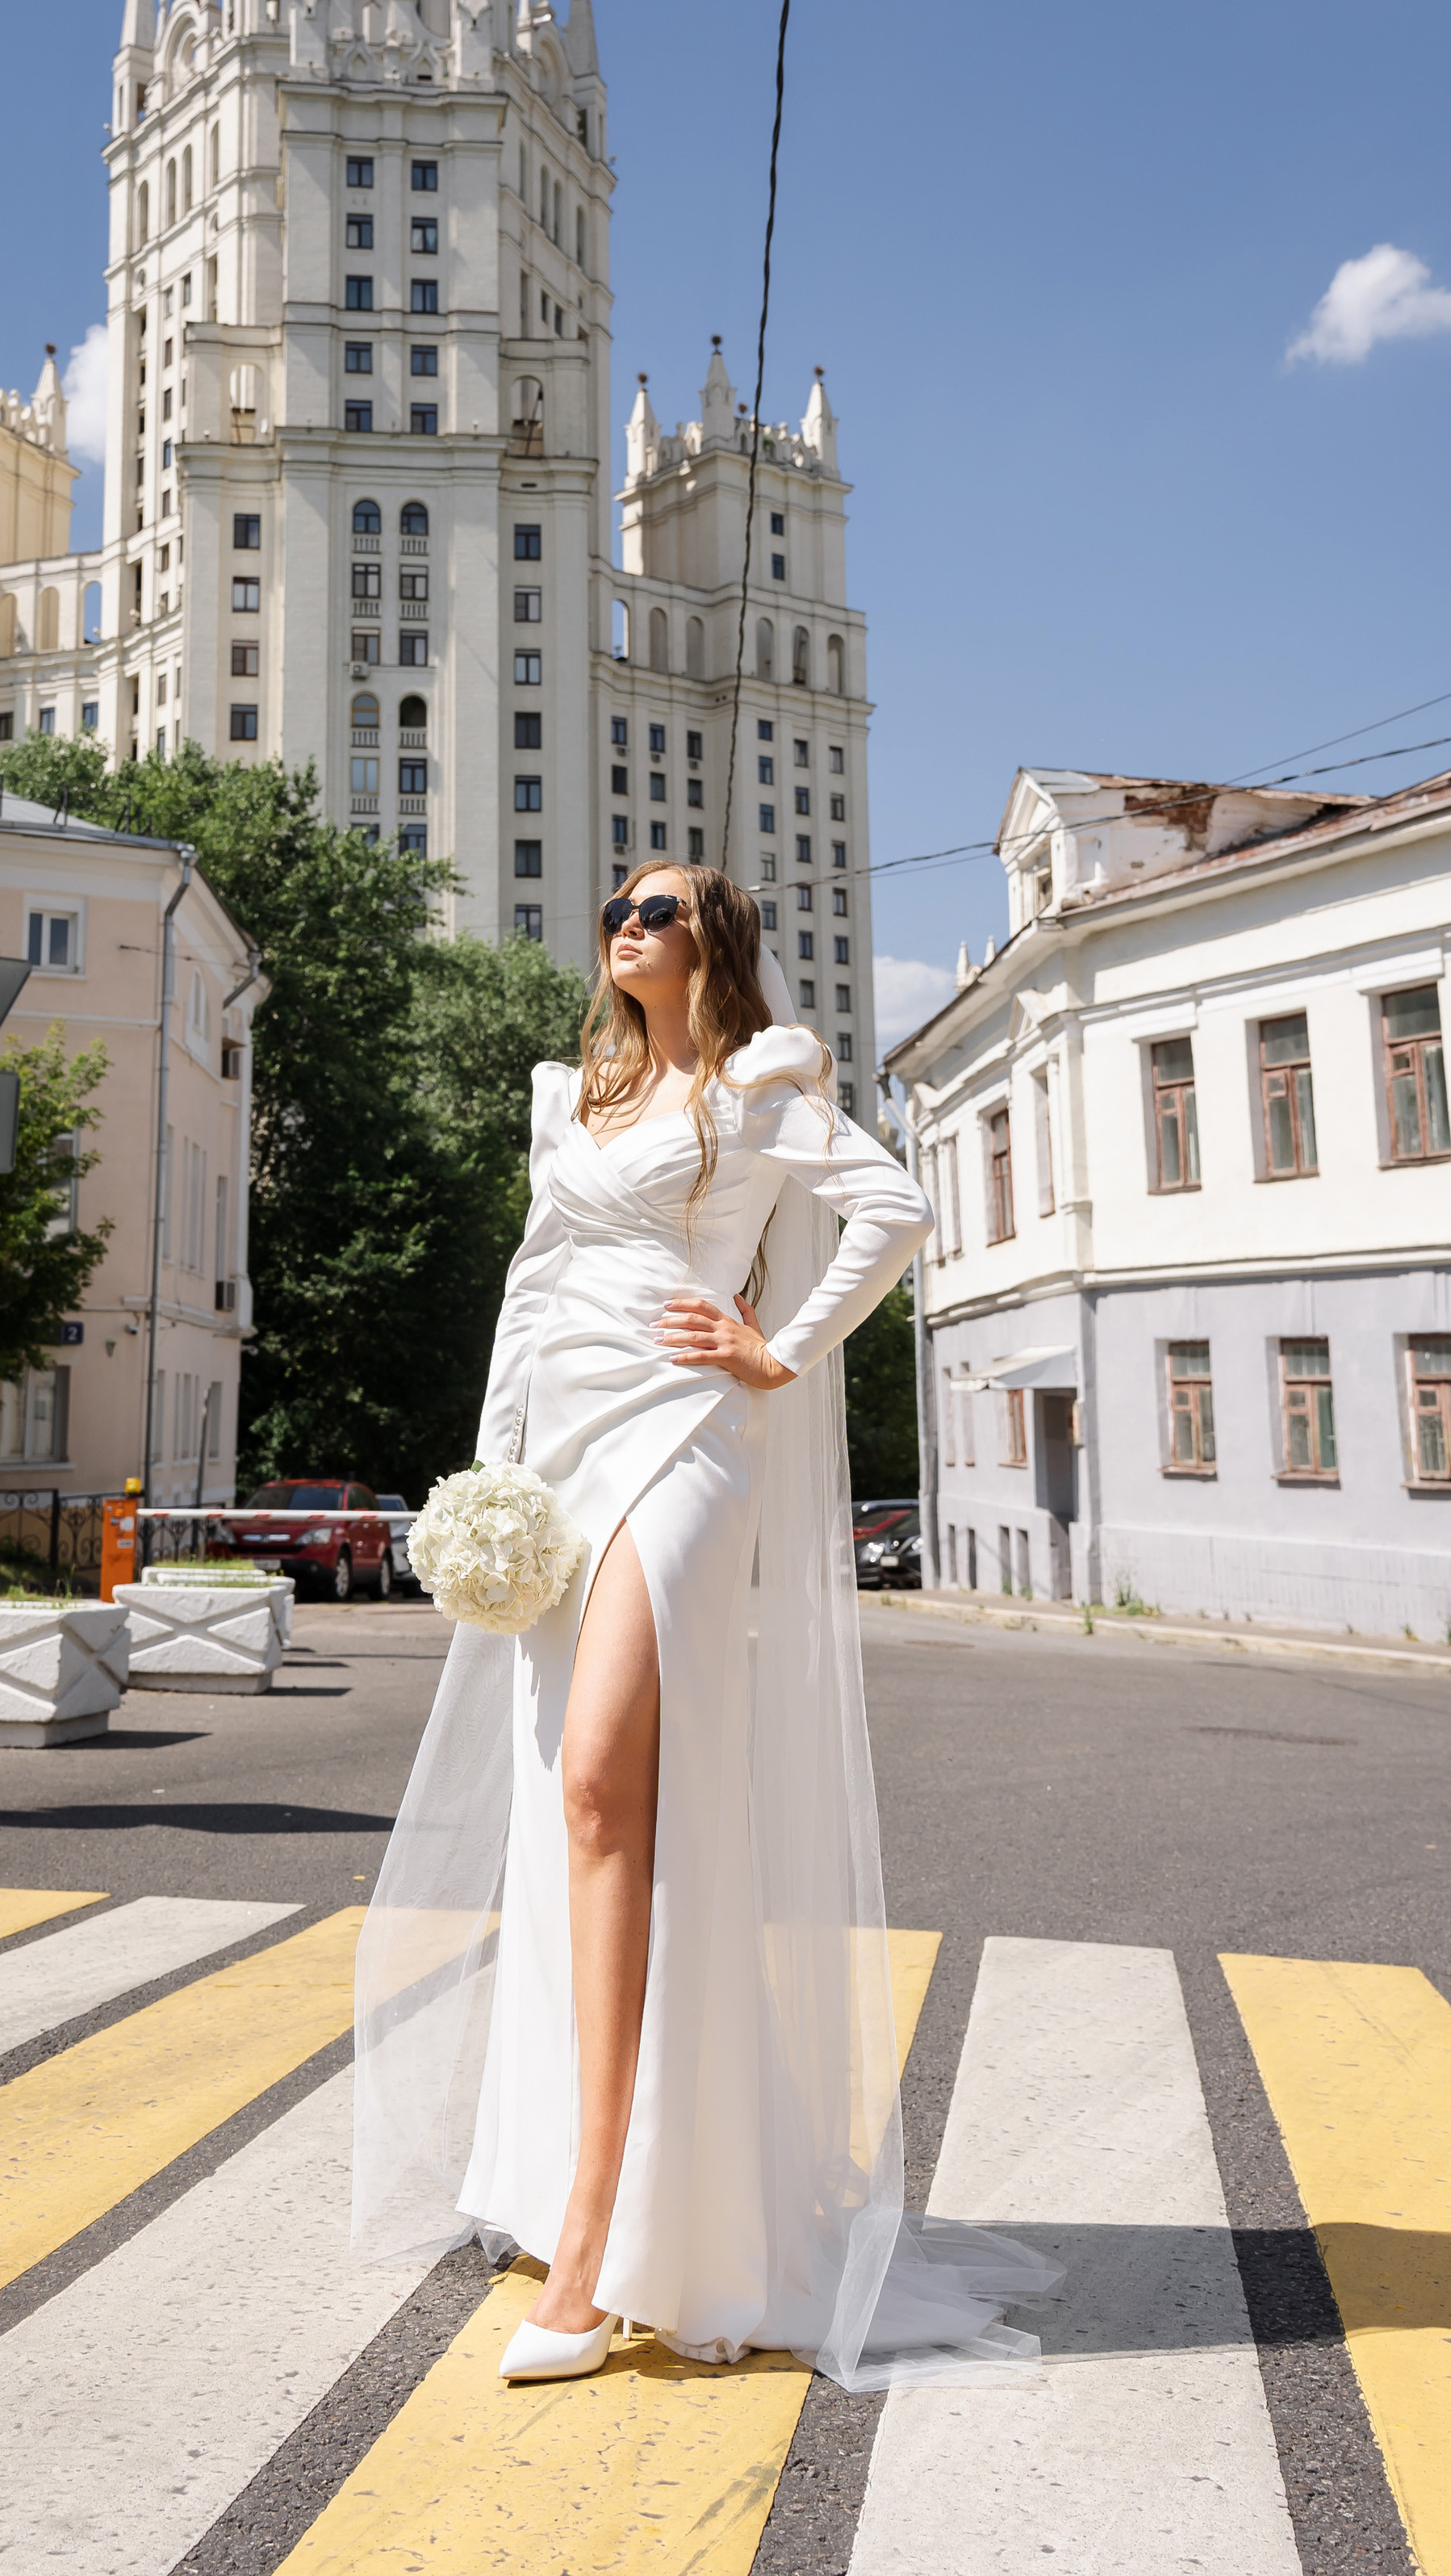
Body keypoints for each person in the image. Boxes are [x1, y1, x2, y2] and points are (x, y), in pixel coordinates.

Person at [353, 861, 1056, 2387]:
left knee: (607, 1782)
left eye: (660, 909)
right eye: (620, 904)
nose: (628, 921)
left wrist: (778, 1350)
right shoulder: (574, 1097)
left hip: (685, 1435)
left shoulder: (759, 1088)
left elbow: (896, 1209)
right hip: (565, 1446)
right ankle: (594, 2187)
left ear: (713, 945)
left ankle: (600, 2243)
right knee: (576, 1815)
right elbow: (530, 1291)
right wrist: (489, 1478)